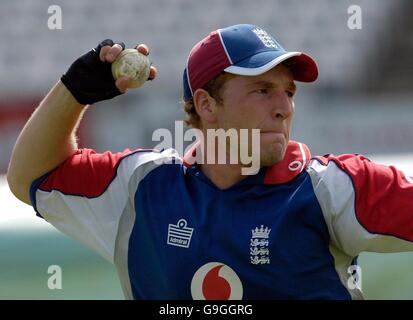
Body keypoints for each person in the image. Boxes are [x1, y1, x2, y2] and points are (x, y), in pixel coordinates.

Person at [6, 24, 413, 300]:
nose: (284, 108)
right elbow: (31, 177)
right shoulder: (142, 188)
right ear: (206, 104)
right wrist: (75, 91)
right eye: (262, 90)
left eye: (289, 92)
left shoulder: (333, 188)